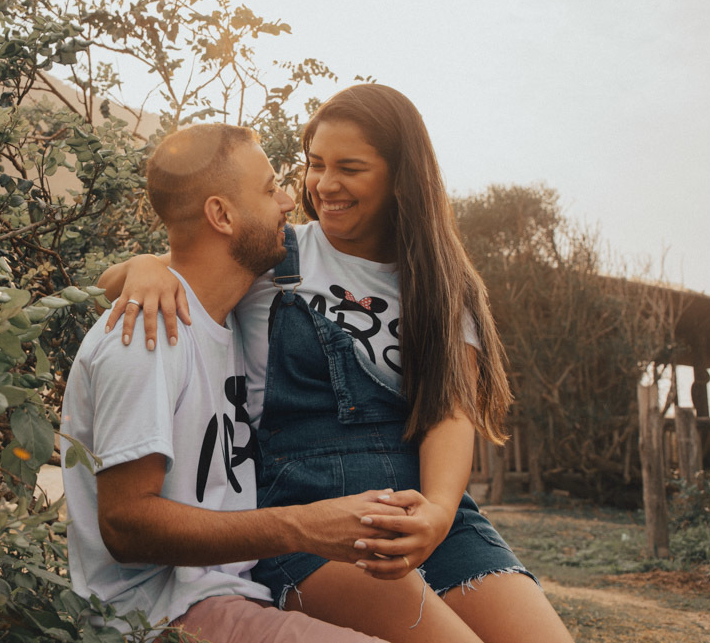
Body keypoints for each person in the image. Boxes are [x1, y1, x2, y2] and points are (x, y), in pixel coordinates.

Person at [99, 85, 574, 643]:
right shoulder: (277, 254)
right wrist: (141, 268)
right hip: (309, 518)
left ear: (401, 177)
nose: (324, 185)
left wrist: (439, 513)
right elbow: (176, 261)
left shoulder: (443, 285)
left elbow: (451, 411)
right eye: (315, 164)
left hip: (421, 513)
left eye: (349, 168)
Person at [60, 123, 394, 643]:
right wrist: (304, 525)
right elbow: (125, 524)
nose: (289, 200)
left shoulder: (233, 316)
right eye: (268, 189)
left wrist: (144, 263)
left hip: (235, 592)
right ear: (221, 214)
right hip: (160, 617)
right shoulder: (148, 335)